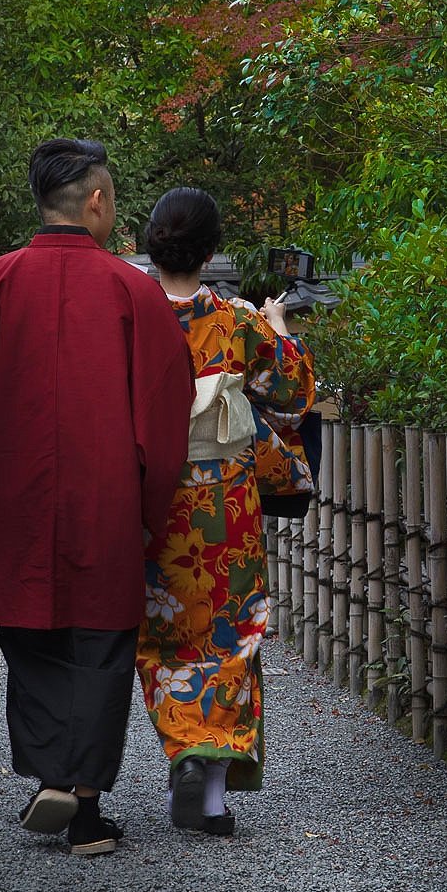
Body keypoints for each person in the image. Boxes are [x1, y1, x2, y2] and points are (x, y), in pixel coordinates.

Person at [0, 138, 194, 856]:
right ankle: (87, 812)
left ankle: (49, 779)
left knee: (32, 637)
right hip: (106, 506)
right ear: (96, 201)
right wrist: (147, 511)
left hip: (19, 499)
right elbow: (165, 417)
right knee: (100, 647)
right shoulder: (135, 293)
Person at [135, 187, 315, 836]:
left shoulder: (127, 314)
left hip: (150, 495)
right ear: (211, 252)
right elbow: (290, 398)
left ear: (149, 244)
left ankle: (184, 748)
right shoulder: (238, 319)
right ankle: (210, 799)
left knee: (159, 636)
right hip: (224, 497)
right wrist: (280, 330)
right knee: (229, 638)